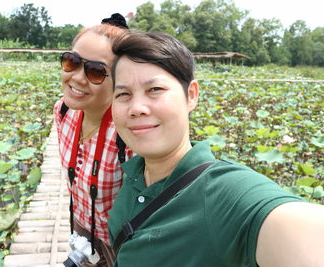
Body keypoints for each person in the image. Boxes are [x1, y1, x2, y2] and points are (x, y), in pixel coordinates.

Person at [108, 31, 324, 267]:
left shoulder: (223, 193)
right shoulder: (133, 175)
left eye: (155, 89)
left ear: (191, 95)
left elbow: (299, 230)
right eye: (123, 94)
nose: (136, 108)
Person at [53, 13, 132, 267]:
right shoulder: (63, 111)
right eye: (72, 61)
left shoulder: (127, 131)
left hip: (119, 241)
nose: (76, 77)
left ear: (120, 80)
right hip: (80, 226)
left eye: (96, 71)